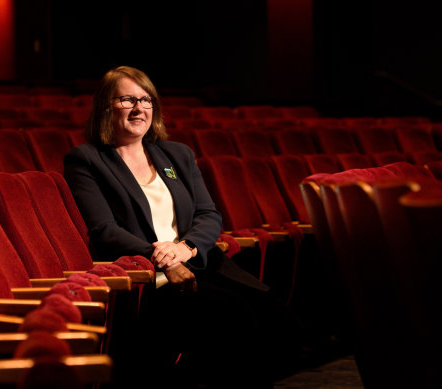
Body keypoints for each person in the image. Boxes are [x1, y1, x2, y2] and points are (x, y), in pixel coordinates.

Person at [64, 66, 303, 388]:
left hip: (198, 262)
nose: (139, 109)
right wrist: (164, 259)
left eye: (146, 100)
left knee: (277, 316)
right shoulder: (88, 159)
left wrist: (186, 248)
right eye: (127, 100)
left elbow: (208, 214)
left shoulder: (176, 154)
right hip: (150, 275)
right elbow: (104, 229)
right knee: (232, 315)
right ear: (106, 106)